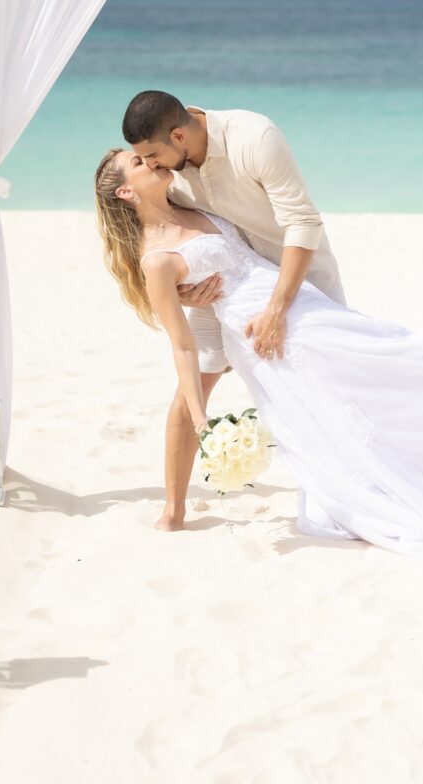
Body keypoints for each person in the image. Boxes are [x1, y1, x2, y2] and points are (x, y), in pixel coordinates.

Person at [94, 143, 423, 558]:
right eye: (138, 163)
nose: (150, 162)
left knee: (383, 351)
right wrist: (203, 423)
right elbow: (182, 345)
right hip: (265, 332)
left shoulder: (187, 201)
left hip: (291, 301)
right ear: (125, 194)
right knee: (377, 364)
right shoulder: (155, 260)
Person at [120, 90, 346, 532]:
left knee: (328, 388)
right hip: (221, 290)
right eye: (142, 160)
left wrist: (277, 309)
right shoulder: (167, 173)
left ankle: (335, 492)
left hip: (299, 278)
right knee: (189, 395)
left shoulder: (254, 137)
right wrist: (183, 292)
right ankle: (174, 510)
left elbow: (303, 222)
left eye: (153, 155)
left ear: (180, 135)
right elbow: (160, 240)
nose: (152, 165)